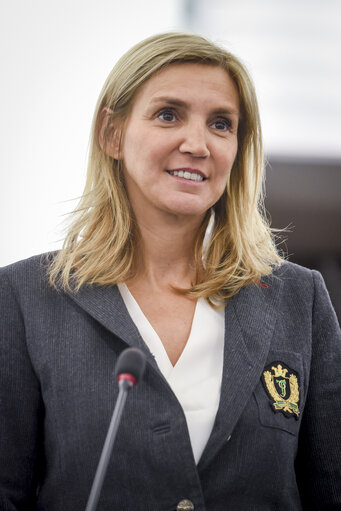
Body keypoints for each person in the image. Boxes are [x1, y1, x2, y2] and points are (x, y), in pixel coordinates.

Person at [0, 32, 340, 511]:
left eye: (221, 124)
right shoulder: (23, 298)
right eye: (168, 115)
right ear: (111, 134)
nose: (197, 144)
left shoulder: (298, 300)